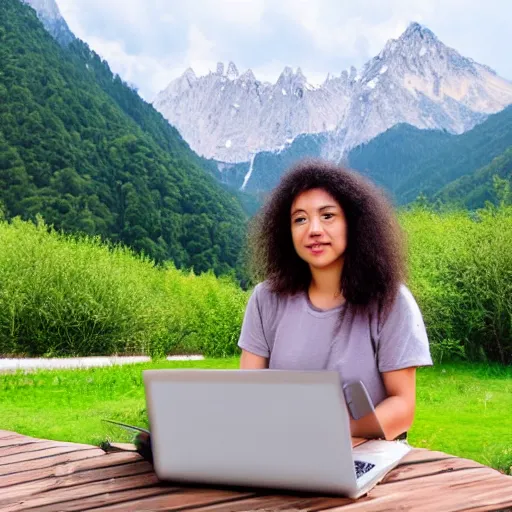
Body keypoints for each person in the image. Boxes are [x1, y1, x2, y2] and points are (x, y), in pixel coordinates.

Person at [238, 159, 432, 441]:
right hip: (280, 450)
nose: (313, 229)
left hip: (366, 453)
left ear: (353, 223)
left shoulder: (391, 300)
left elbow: (403, 406)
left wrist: (333, 435)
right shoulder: (265, 299)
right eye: (300, 219)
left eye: (327, 216)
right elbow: (247, 395)